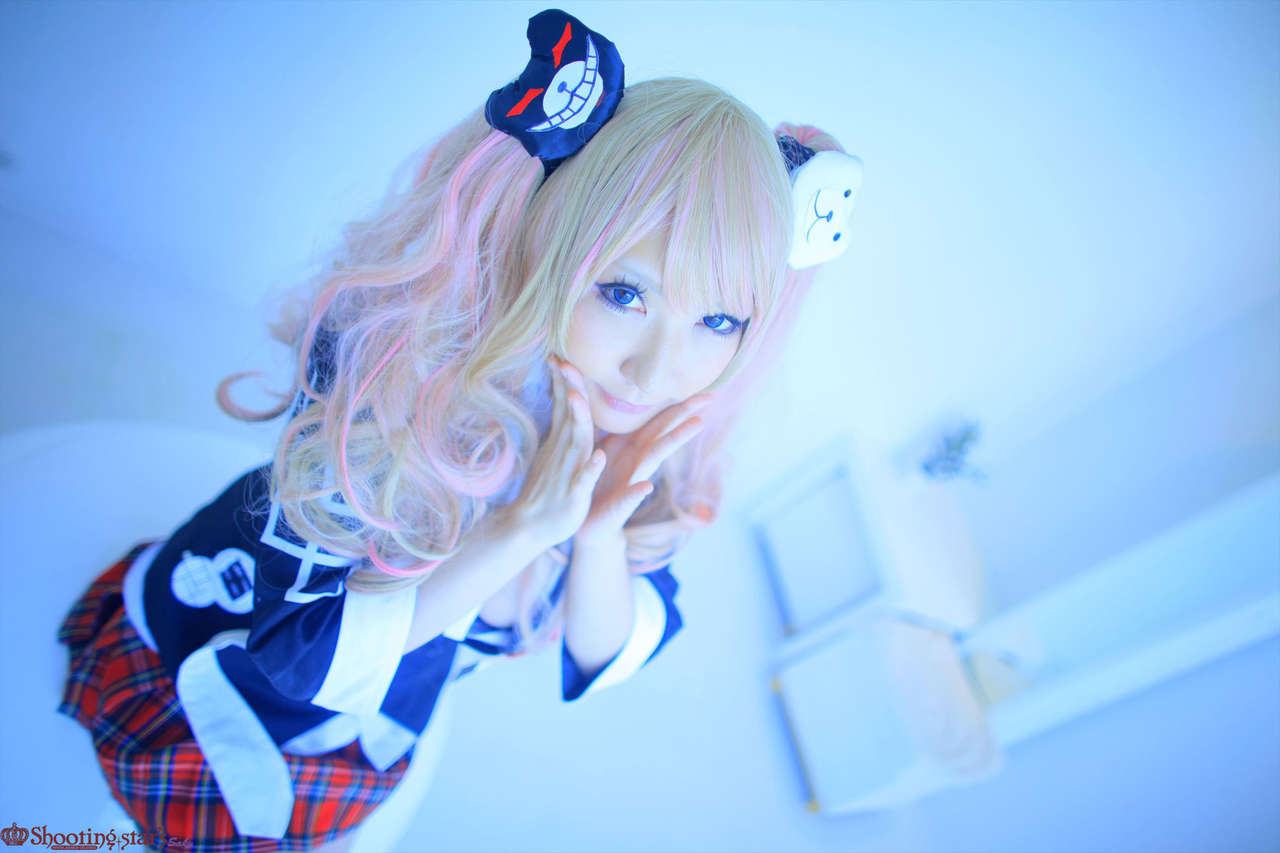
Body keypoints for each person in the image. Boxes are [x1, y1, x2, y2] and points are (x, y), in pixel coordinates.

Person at [56, 9, 862, 851]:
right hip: (212, 664)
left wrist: (596, 536)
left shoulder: (645, 425)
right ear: (550, 235)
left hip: (377, 712)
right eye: (624, 293)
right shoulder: (396, 371)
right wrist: (521, 531)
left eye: (719, 320)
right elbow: (294, 652)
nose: (657, 369)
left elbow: (606, 653)